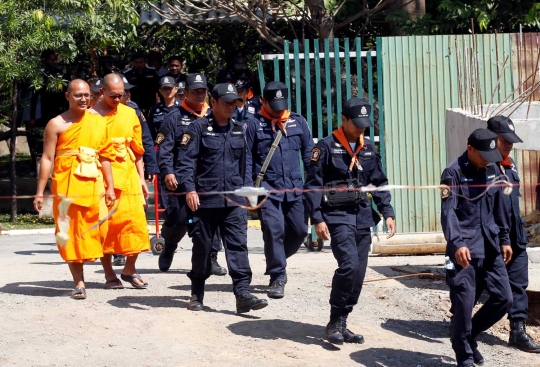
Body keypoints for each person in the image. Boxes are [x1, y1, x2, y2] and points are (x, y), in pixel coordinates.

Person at [305, 97, 396, 344]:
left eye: (364, 125)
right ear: (343, 120)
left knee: (359, 274)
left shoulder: (368, 148)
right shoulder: (324, 147)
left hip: (362, 215)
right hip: (336, 216)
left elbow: (378, 182)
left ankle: (343, 321)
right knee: (349, 267)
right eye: (356, 124)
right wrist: (317, 219)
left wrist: (387, 211)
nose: (361, 128)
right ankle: (334, 320)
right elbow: (312, 185)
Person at [177, 83, 268, 313]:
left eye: (233, 102)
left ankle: (243, 294)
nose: (230, 106)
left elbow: (244, 164)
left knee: (238, 246)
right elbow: (186, 163)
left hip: (234, 201)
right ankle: (197, 294)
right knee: (203, 249)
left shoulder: (239, 129)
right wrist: (189, 189)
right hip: (205, 201)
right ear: (213, 101)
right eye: (225, 102)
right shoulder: (197, 129)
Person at [33, 79, 116, 299]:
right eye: (78, 95)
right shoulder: (56, 124)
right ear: (67, 96)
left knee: (101, 229)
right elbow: (48, 158)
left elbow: (106, 155)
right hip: (67, 184)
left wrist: (110, 186)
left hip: (94, 183)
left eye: (86, 95)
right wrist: (41, 191)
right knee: (69, 233)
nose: (83, 99)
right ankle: (78, 282)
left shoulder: (98, 122)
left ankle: (109, 273)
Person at [440, 128, 513, 367]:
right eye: (482, 155)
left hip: (490, 244)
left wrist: (504, 238)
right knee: (463, 303)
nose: (487, 161)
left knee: (504, 298)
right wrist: (457, 243)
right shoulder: (453, 173)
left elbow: (499, 206)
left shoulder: (492, 168)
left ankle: (470, 335)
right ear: (470, 148)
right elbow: (448, 212)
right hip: (464, 249)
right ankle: (465, 356)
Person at [244, 81, 313, 299]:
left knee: (300, 230)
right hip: (267, 189)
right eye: (274, 104)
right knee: (274, 231)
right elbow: (246, 160)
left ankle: (277, 258)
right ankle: (278, 276)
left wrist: (313, 186)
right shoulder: (253, 124)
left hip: (295, 188)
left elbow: (309, 155)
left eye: (282, 104)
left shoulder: (298, 122)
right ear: (264, 101)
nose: (278, 108)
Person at [156, 73, 226, 275]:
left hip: (208, 179)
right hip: (180, 179)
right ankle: (169, 244)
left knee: (212, 218)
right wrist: (167, 171)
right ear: (184, 93)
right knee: (178, 219)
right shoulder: (173, 118)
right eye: (194, 91)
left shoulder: (215, 115)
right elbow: (164, 149)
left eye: (202, 91)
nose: (199, 95)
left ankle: (211, 258)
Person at [486, 116, 540, 353]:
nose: (508, 145)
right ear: (491, 138)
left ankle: (517, 331)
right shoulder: (481, 165)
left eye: (511, 141)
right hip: (491, 235)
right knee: (478, 282)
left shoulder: (511, 164)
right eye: (503, 140)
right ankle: (463, 322)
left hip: (514, 234)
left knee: (519, 282)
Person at [93, 74, 151, 289]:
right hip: (99, 174)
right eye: (113, 96)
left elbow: (137, 150)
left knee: (135, 223)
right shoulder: (90, 116)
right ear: (102, 92)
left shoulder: (130, 113)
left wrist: (141, 178)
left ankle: (129, 269)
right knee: (105, 227)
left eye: (122, 95)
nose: (118, 99)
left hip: (127, 174)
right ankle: (109, 274)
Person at [147, 76, 181, 142]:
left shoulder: (183, 107)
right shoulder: (154, 109)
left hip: (180, 147)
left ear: (176, 89)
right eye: (164, 89)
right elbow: (150, 131)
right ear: (160, 91)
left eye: (170, 88)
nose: (168, 91)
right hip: (161, 147)